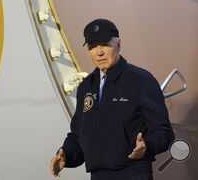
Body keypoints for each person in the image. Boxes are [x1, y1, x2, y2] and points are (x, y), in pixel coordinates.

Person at [50, 18, 175, 180]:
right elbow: (78, 135)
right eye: (93, 46)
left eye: (104, 44)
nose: (99, 51)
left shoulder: (141, 81)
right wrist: (66, 154)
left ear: (119, 45)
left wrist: (146, 146)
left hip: (133, 174)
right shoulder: (86, 87)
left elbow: (164, 133)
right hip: (98, 176)